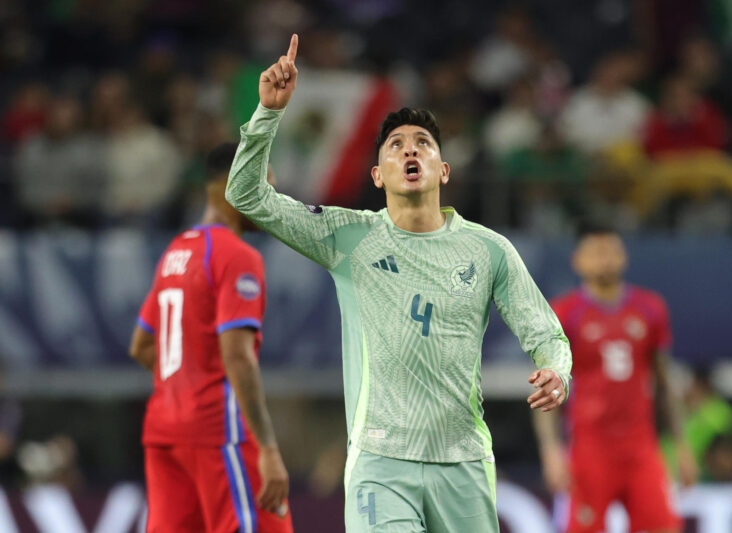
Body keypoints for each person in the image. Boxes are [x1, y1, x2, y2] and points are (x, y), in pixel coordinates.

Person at [226, 34, 572, 533]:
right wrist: (268, 113)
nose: (411, 149)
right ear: (377, 175)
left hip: (464, 461)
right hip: (381, 462)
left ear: (443, 171)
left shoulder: (489, 249)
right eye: (396, 145)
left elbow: (546, 334)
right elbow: (246, 196)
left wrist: (557, 371)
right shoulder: (349, 237)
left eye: (423, 144)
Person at [129, 143, 293, 533]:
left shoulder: (177, 251)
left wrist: (187, 384)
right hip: (220, 434)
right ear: (236, 183)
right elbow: (238, 356)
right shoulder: (236, 255)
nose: (273, 198)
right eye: (266, 184)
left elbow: (142, 345)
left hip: (165, 432)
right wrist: (268, 449)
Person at [533, 224, 697, 533]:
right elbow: (547, 387)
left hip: (640, 446)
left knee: (665, 527)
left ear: (624, 257)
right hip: (590, 449)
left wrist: (682, 445)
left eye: (610, 251)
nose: (604, 260)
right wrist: (551, 451)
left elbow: (665, 383)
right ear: (578, 261)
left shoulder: (650, 309)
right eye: (596, 252)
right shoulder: (564, 313)